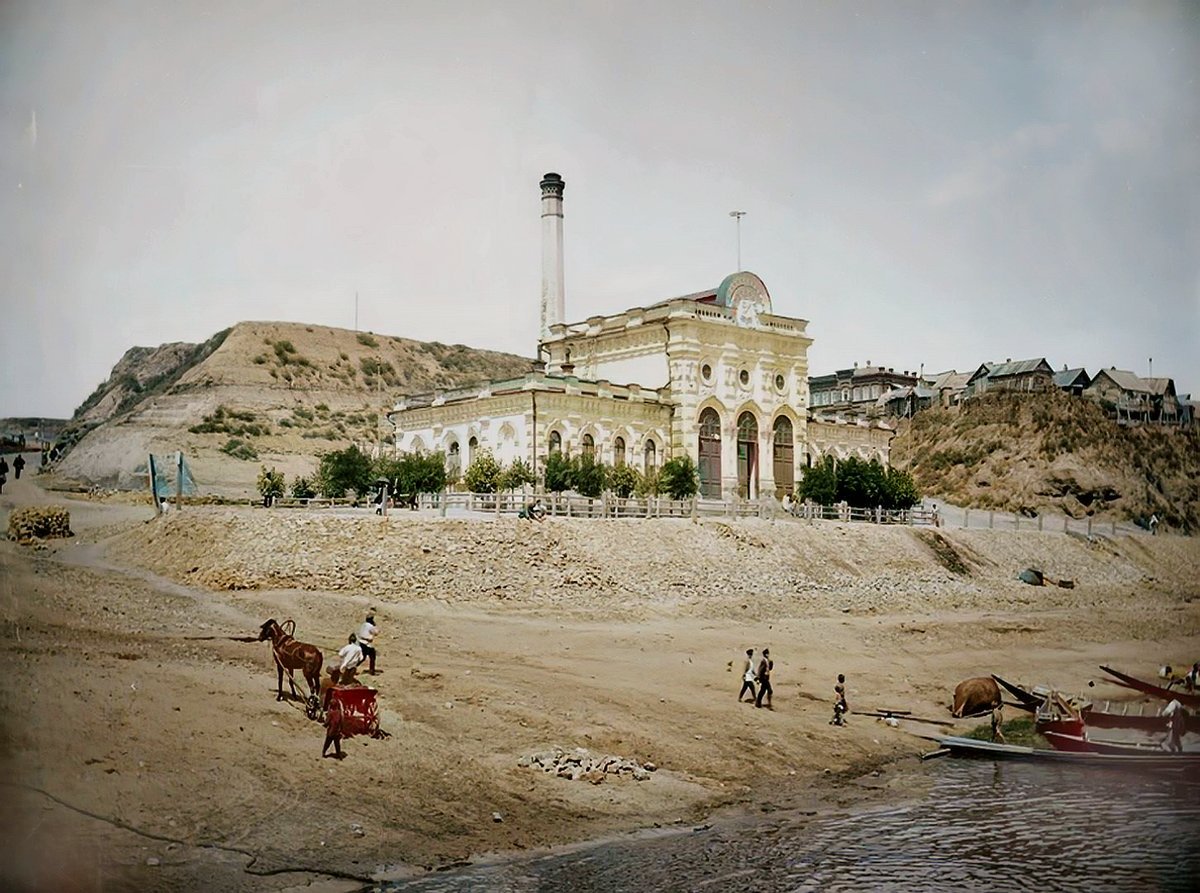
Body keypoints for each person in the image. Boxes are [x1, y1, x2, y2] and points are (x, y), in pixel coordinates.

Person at [357, 610, 379, 674]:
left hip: (361, 642)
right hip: (367, 643)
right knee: (372, 657)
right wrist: (375, 626)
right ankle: (372, 671)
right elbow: (376, 633)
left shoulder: (364, 624)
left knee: (363, 657)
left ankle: (354, 666)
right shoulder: (370, 626)